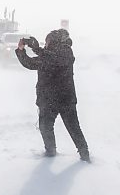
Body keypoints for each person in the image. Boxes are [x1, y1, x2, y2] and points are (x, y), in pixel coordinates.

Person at [15, 29, 91, 162]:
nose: (47, 43)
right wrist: (21, 51)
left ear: (55, 41)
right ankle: (50, 152)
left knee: (73, 128)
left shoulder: (66, 52)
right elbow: (31, 64)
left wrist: (37, 48)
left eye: (48, 40)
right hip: (47, 100)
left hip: (65, 99)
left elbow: (55, 59)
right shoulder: (47, 55)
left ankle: (85, 155)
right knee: (45, 127)